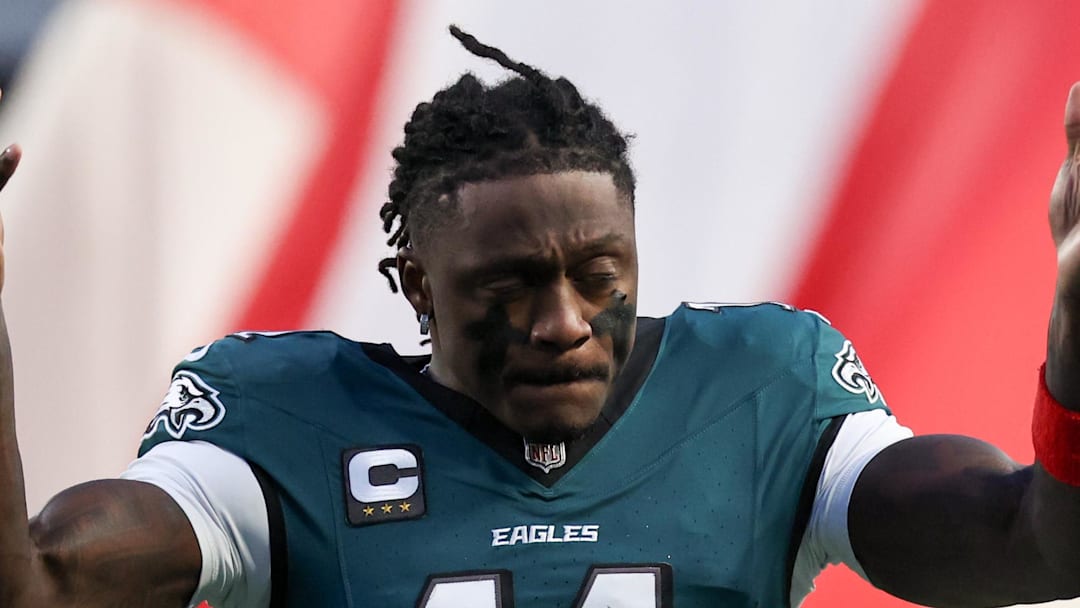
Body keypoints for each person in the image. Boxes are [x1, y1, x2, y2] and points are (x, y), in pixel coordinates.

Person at [2, 25, 1080, 608]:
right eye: (507, 286)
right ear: (416, 285)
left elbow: (1030, 542)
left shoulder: (760, 388)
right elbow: (39, 586)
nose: (564, 320)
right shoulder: (282, 420)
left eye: (600, 273)